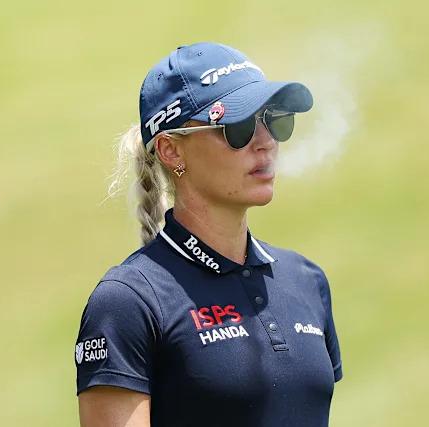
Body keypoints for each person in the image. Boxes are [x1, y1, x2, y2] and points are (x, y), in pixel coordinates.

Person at [75, 42, 343, 427]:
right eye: (238, 127)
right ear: (171, 151)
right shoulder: (127, 302)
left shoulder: (307, 281)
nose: (266, 141)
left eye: (274, 120)